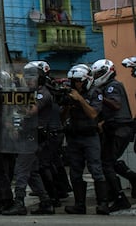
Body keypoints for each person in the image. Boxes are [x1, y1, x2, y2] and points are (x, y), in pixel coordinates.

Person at [2, 61, 55, 215]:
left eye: (33, 76)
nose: (29, 79)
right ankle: (46, 202)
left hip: (35, 137)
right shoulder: (29, 93)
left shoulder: (42, 93)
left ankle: (19, 202)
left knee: (21, 169)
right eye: (27, 76)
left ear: (41, 78)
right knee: (31, 172)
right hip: (27, 135)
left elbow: (30, 111)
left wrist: (15, 98)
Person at [62, 64, 109, 215]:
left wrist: (80, 100)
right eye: (74, 81)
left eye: (79, 81)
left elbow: (93, 113)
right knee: (75, 172)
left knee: (96, 169)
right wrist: (67, 104)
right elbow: (63, 117)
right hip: (74, 136)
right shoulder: (72, 93)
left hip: (90, 136)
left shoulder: (95, 93)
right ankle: (79, 205)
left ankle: (103, 204)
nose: (76, 84)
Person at [92, 59, 134, 212]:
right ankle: (131, 179)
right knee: (109, 160)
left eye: (98, 73)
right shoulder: (107, 87)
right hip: (116, 128)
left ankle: (120, 197)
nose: (97, 76)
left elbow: (116, 105)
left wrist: (99, 97)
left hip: (119, 129)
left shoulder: (112, 87)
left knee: (106, 163)